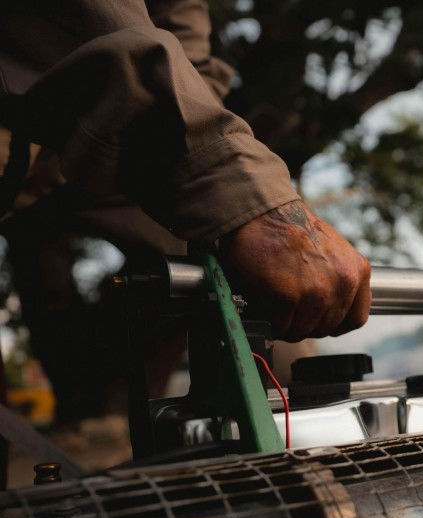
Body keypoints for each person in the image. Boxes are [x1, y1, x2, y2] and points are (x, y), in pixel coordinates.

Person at [0, 1, 372, 421]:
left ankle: (309, 424)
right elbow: (99, 28)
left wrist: (215, 200)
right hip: (28, 136)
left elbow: (190, 63)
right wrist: (248, 197)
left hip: (90, 151)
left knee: (252, 269)